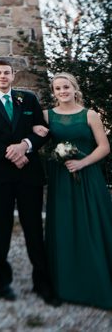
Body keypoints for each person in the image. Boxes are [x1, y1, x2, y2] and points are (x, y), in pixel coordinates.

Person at [0, 59, 57, 305]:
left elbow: (42, 131)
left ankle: (42, 283)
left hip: (29, 173)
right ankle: (2, 282)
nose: (3, 76)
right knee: (1, 227)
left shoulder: (27, 99)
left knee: (33, 228)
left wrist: (24, 146)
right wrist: (9, 152)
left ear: (13, 75)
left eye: (6, 73)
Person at [39, 73, 112, 310]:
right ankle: (67, 286)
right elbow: (33, 136)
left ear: (74, 88)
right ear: (54, 92)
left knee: (91, 226)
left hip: (88, 177)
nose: (62, 91)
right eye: (58, 88)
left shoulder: (90, 115)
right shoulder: (46, 116)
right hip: (61, 179)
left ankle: (97, 284)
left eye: (66, 87)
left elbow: (104, 147)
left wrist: (82, 163)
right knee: (65, 227)